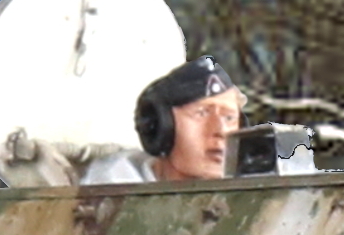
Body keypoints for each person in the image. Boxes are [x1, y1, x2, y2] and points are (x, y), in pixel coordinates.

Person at [83, 56, 246, 184]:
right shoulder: (114, 189)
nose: (221, 130)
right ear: (158, 126)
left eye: (229, 118)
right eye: (201, 113)